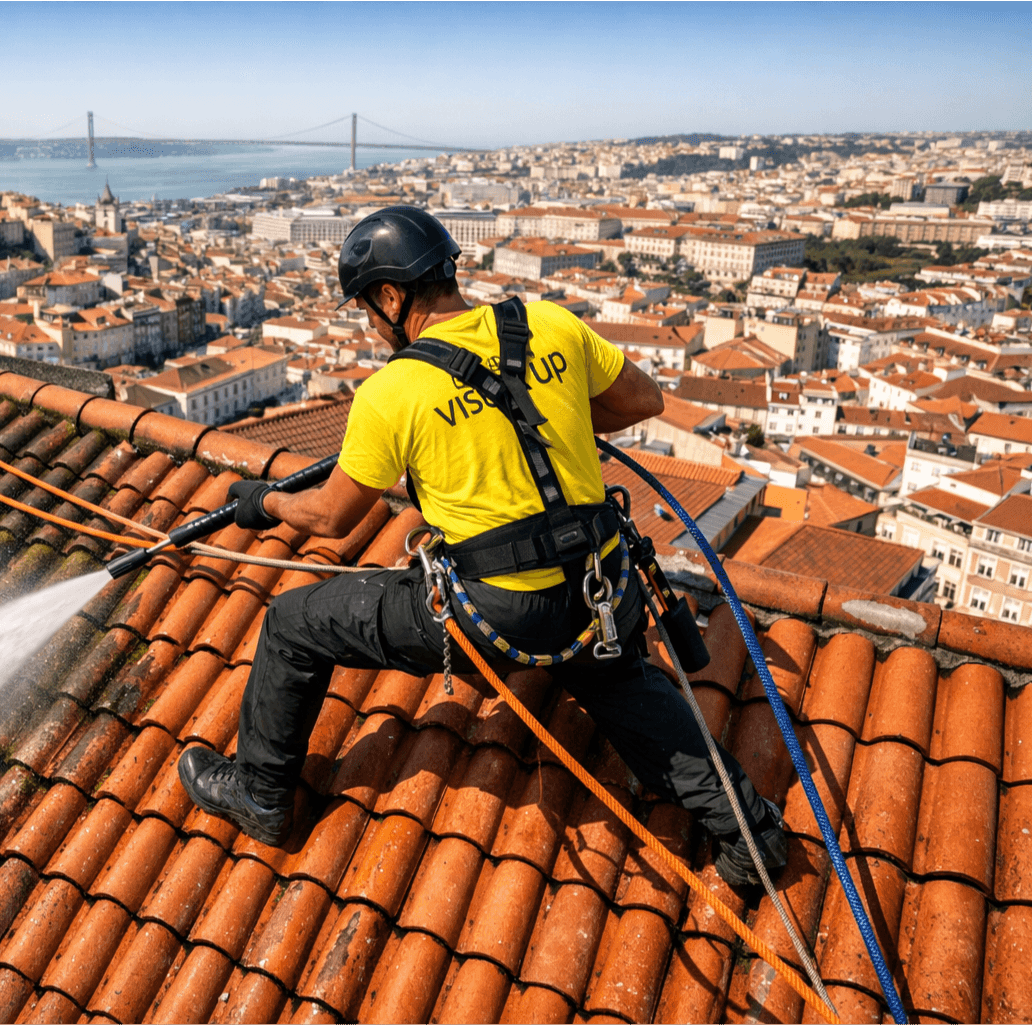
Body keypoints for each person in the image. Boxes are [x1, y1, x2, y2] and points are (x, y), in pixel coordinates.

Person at [177, 207, 786, 888]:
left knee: (293, 624)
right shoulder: (548, 324)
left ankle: (260, 792)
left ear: (390, 296)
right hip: (598, 591)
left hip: (498, 614)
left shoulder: (393, 392)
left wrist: (262, 501)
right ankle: (751, 832)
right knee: (618, 679)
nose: (367, 327)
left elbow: (331, 518)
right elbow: (643, 399)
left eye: (364, 309)